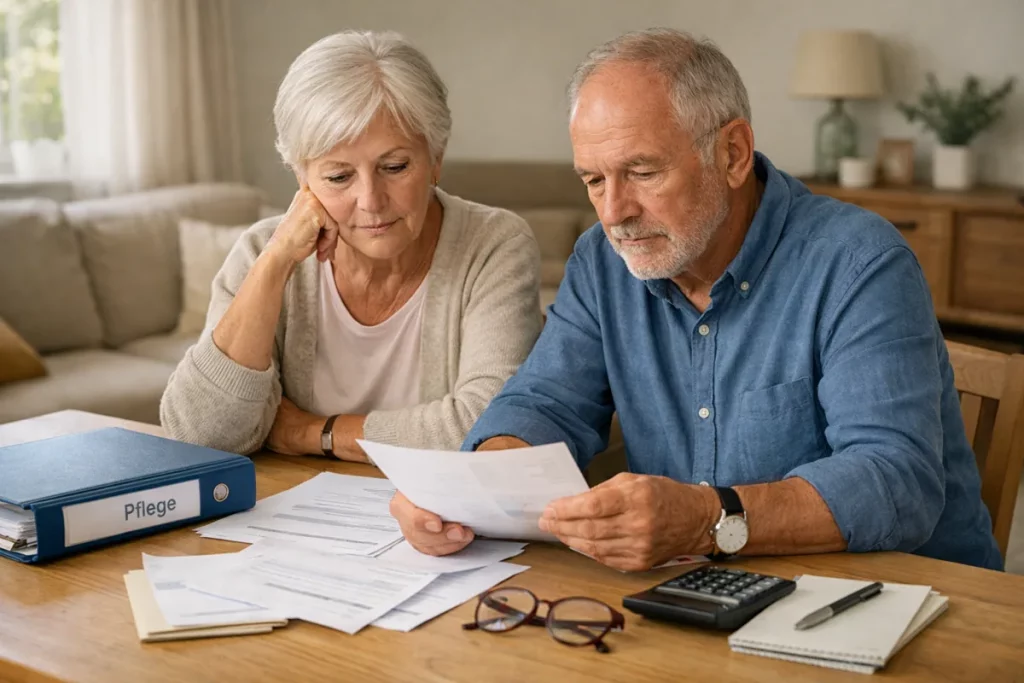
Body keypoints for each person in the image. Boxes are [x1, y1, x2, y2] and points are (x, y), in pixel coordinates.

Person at [390, 28, 1003, 571]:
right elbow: (547, 403)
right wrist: (470, 489)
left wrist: (708, 519)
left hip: (912, 599)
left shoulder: (859, 261)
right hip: (718, 593)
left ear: (732, 154)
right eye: (594, 179)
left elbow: (895, 479)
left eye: (642, 172)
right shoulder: (602, 263)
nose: (613, 213)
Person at [161, 31, 542, 461]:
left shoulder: (493, 246)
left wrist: (313, 433)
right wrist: (275, 262)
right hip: (291, 513)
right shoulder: (261, 251)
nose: (371, 201)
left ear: (435, 158)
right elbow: (197, 436)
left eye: (395, 167)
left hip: (438, 522)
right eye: (339, 177)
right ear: (302, 180)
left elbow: (488, 427)